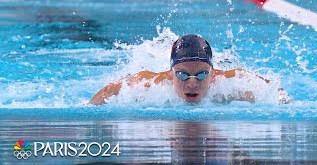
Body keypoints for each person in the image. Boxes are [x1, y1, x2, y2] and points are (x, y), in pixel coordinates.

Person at [88, 34, 290, 105]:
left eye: (202, 74)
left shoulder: (231, 83)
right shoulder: (152, 84)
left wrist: (283, 100)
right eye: (183, 75)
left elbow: (273, 92)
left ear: (212, 74)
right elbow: (109, 91)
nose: (192, 83)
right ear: (171, 73)